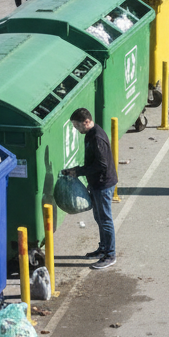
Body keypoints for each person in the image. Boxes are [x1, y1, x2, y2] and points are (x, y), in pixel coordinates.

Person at [63, 108, 117, 269]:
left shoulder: (97, 138)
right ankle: (103, 248)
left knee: (105, 220)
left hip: (103, 184)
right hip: (96, 183)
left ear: (86, 122)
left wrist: (78, 172)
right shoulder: (90, 134)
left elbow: (101, 165)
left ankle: (110, 254)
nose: (75, 129)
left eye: (76, 125)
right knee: (99, 218)